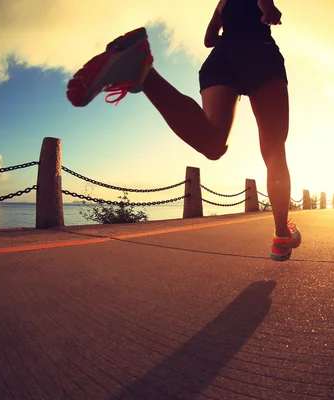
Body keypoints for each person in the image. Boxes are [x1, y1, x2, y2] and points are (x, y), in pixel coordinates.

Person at [66, 0, 301, 261]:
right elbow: (266, 6)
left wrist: (230, 28)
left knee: (213, 144)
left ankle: (143, 73)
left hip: (221, 60)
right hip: (259, 53)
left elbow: (210, 39)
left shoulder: (222, 3)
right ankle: (282, 234)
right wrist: (269, 11)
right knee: (273, 149)